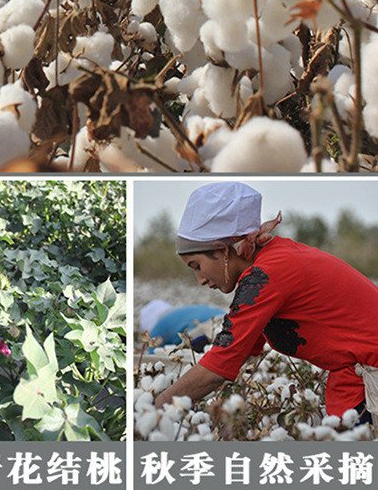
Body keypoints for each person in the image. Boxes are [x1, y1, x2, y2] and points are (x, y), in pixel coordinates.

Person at [153, 181, 378, 423]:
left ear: (223, 249)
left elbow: (218, 367)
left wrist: (152, 408)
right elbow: (241, 348)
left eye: (197, 266)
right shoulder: (274, 259)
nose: (200, 280)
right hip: (353, 374)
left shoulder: (266, 275)